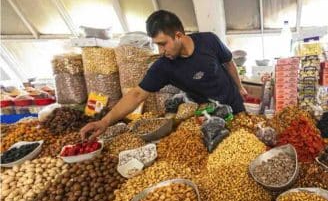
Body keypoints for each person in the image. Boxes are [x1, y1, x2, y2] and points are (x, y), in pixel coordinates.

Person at [80, 10, 247, 140]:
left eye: (163, 44)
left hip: (234, 102)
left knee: (246, 139)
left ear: (178, 36)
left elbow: (229, 63)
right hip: (207, 114)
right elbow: (137, 94)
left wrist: (240, 87)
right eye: (156, 45)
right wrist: (104, 122)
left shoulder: (209, 40)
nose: (160, 51)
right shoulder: (164, 66)